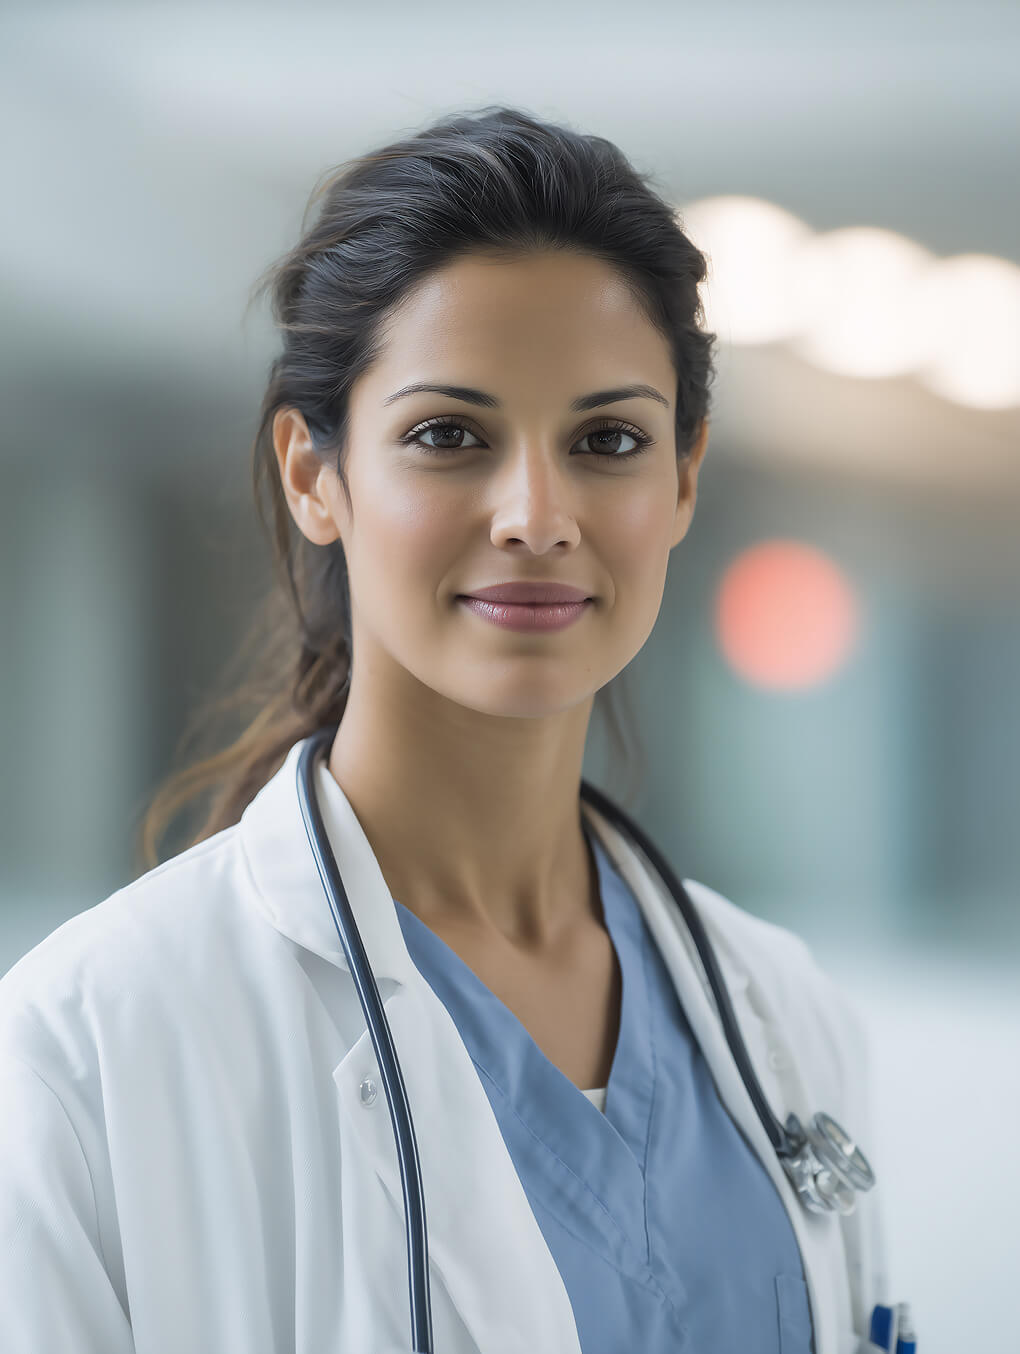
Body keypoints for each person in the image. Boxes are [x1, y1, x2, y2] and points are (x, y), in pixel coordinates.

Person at [0, 106, 889, 1353]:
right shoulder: (86, 1049)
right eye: (449, 436)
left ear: (683, 478)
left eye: (608, 440)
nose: (535, 512)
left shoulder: (788, 1018)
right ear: (317, 476)